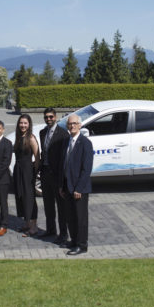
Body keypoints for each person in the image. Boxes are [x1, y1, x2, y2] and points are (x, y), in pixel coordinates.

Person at [61, 114, 94, 255]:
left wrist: (79, 188)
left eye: (75, 123)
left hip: (79, 189)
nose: (72, 126)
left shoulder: (85, 143)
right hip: (67, 187)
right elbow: (64, 166)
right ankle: (74, 240)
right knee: (70, 217)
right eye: (70, 124)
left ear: (80, 125)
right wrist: (62, 186)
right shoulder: (66, 141)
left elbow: (87, 169)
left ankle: (82, 245)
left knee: (80, 219)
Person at [38, 107, 69, 244]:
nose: (48, 119)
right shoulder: (42, 132)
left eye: (51, 117)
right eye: (46, 117)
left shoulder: (63, 134)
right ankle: (51, 230)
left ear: (55, 117)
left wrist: (63, 179)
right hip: (45, 174)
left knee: (61, 207)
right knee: (48, 204)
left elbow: (64, 158)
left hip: (57, 175)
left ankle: (63, 234)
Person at [12, 113, 41, 236]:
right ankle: (27, 223)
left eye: (25, 123)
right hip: (18, 170)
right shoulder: (19, 137)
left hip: (28, 171)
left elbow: (37, 157)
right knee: (21, 197)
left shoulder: (31, 138)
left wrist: (34, 173)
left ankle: (33, 227)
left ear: (29, 125)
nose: (23, 125)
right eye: (21, 123)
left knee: (29, 198)